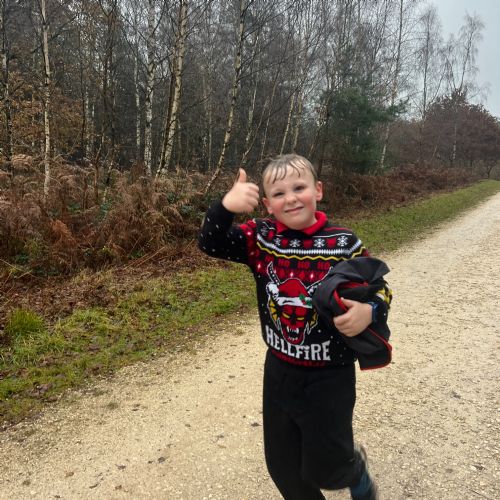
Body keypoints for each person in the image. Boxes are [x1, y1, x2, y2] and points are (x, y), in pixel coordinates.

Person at [198, 154, 391, 500]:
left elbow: (381, 288)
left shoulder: (344, 243)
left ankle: (354, 470)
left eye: (299, 187)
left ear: (318, 190)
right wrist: (225, 207)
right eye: (279, 193)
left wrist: (370, 309)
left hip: (330, 377)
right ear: (268, 204)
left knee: (325, 469)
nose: (290, 198)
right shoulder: (261, 238)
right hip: (279, 372)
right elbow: (210, 242)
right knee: (283, 468)